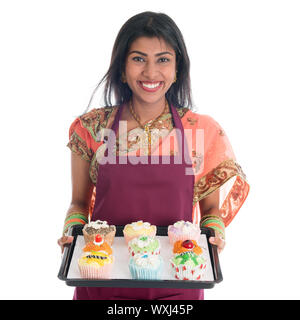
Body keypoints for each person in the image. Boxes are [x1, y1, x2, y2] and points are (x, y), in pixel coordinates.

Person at [57, 11, 250, 300]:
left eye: (163, 59)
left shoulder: (201, 131)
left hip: (179, 283)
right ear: (122, 68)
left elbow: (210, 212)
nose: (150, 72)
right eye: (138, 59)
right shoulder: (92, 128)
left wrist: (213, 237)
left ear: (177, 68)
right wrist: (72, 234)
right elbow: (79, 203)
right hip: (102, 279)